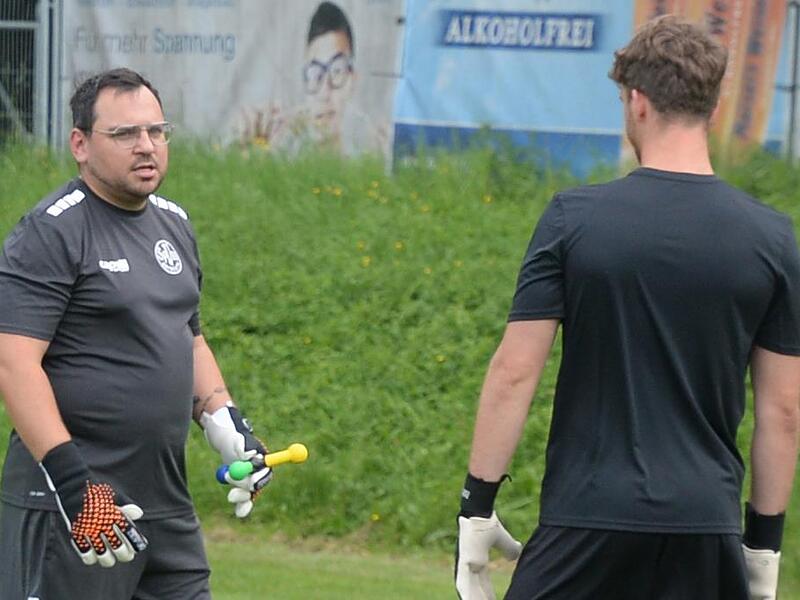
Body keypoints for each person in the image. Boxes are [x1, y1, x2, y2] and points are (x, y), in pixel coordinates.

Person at [455, 15, 800, 600]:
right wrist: (763, 547)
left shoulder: (573, 219)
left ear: (636, 101)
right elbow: (784, 409)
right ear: (712, 109)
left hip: (587, 514)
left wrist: (476, 509)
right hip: (704, 523)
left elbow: (515, 373)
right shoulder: (772, 239)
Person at [0, 68, 271, 599]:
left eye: (156, 131)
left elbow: (187, 337)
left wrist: (227, 425)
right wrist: (78, 490)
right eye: (124, 134)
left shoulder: (174, 223)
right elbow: (14, 363)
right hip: (77, 506)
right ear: (80, 144)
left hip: (166, 506)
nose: (146, 146)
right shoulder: (52, 230)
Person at [247, 1, 387, 157]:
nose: (324, 93)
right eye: (315, 75)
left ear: (352, 81)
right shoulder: (284, 164)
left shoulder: (369, 162)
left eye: (336, 71)